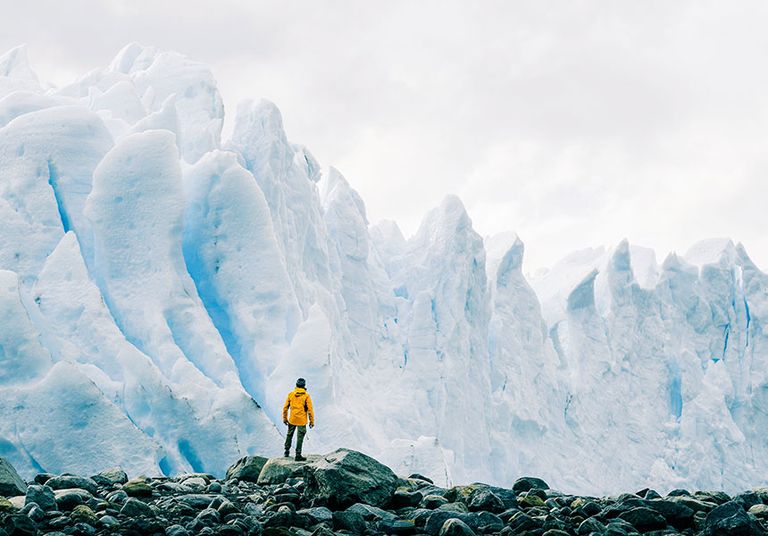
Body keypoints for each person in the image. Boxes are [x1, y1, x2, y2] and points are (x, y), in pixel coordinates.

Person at [282, 377, 314, 461]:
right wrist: (311, 421)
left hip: (292, 419)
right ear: (304, 386)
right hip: (302, 421)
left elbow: (285, 408)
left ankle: (286, 451)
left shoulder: (291, 394)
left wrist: (285, 418)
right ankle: (298, 455)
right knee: (300, 438)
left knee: (289, 434)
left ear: (296, 385)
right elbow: (310, 410)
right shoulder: (306, 396)